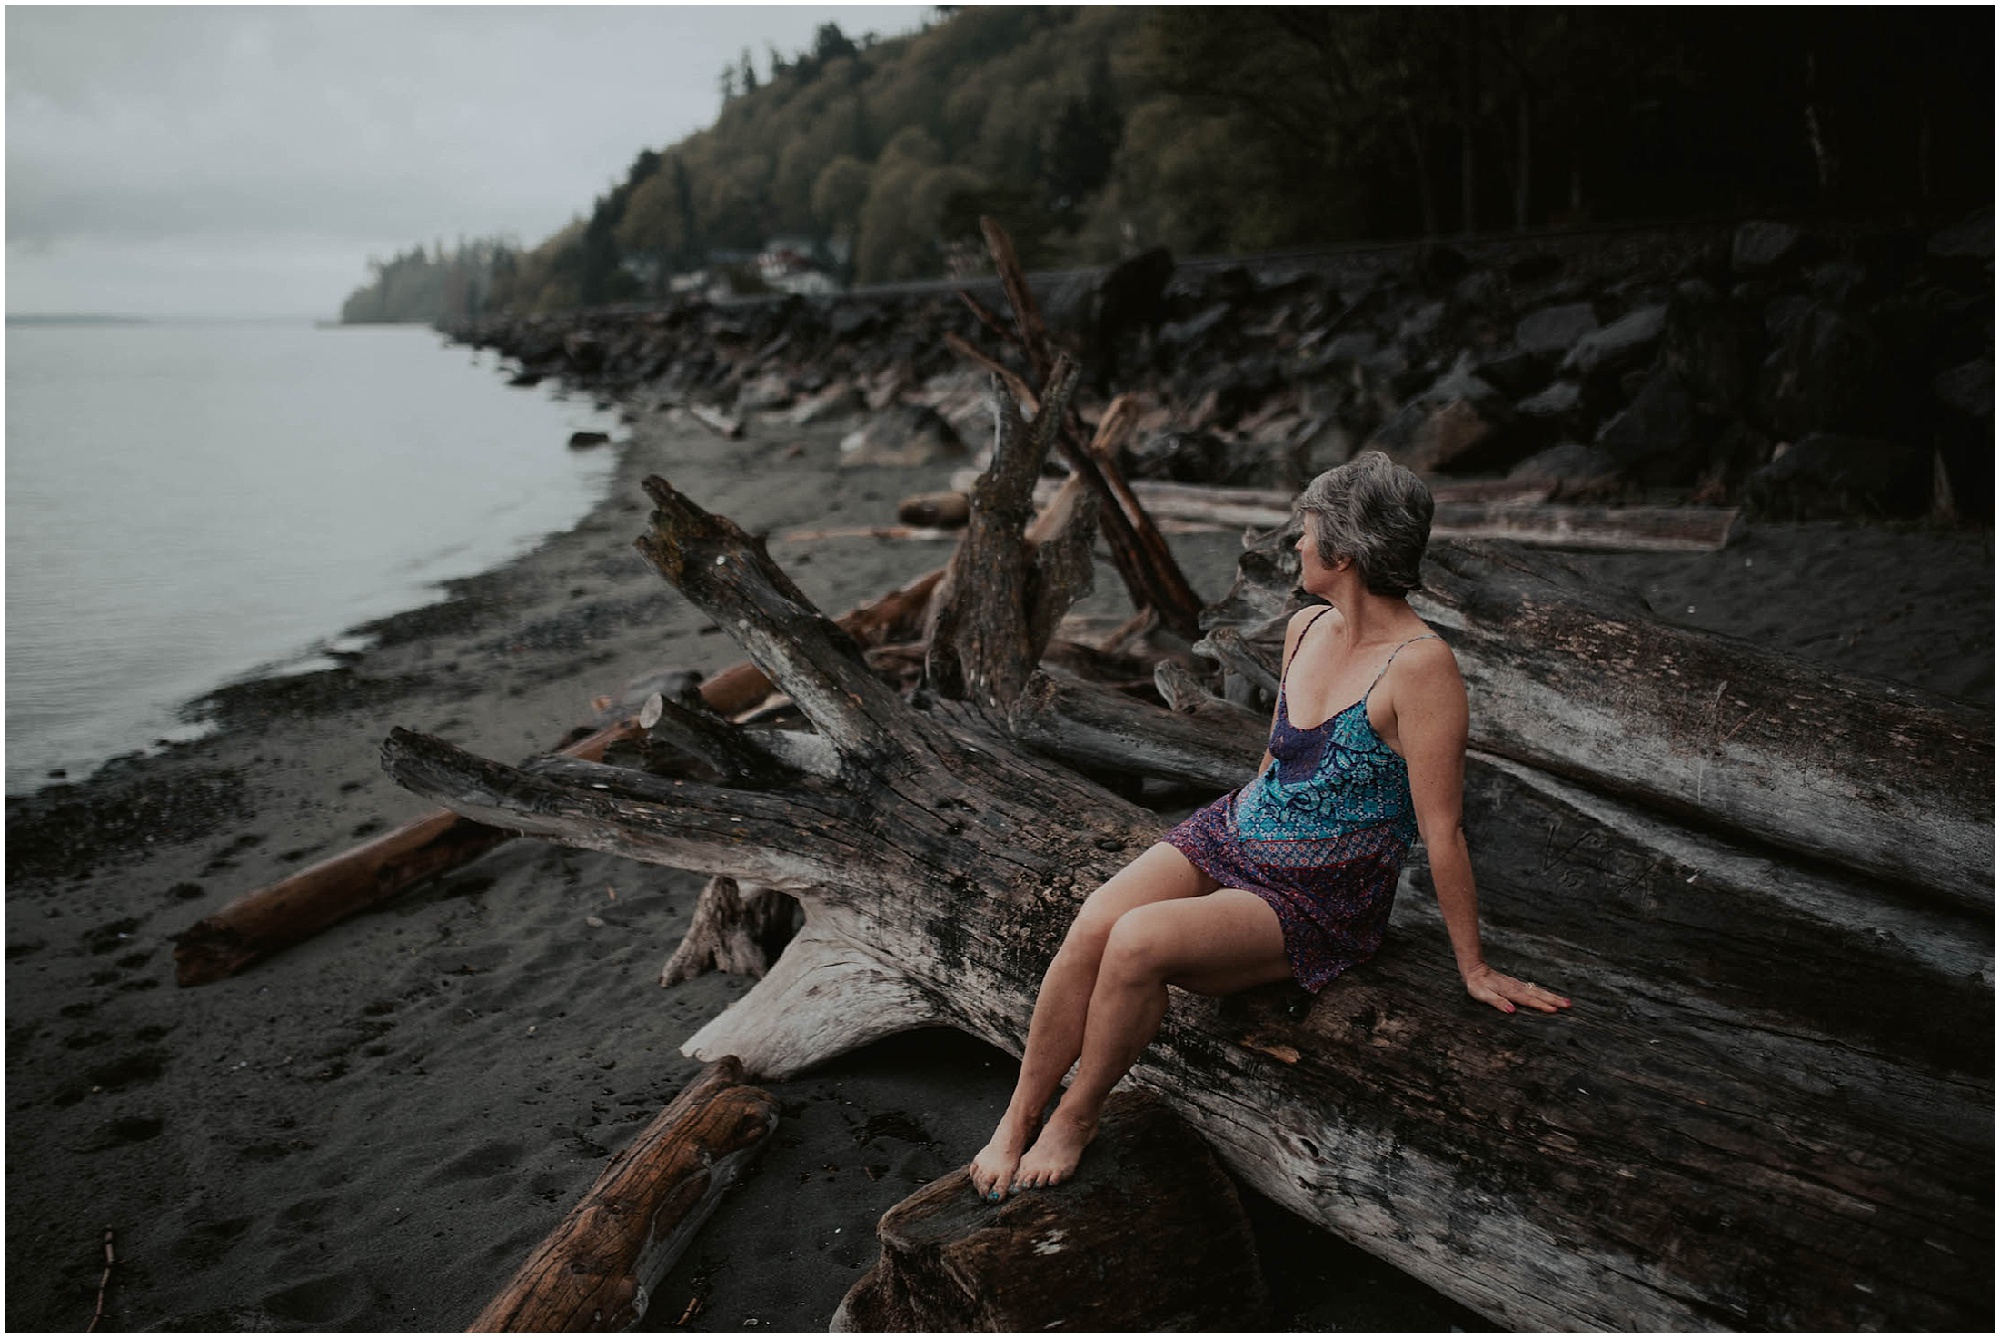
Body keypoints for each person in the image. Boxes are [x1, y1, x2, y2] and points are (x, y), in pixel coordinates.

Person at [968, 451, 1570, 1202]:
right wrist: (1223, 842)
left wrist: (1473, 967)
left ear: (1344, 554)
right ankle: (1017, 1117)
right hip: (1238, 832)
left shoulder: (1422, 668)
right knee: (1095, 921)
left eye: (1305, 531)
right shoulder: (1306, 626)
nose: (1294, 545)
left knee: (1137, 942)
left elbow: (1442, 830)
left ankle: (1076, 1116)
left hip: (1320, 892)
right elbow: (1276, 755)